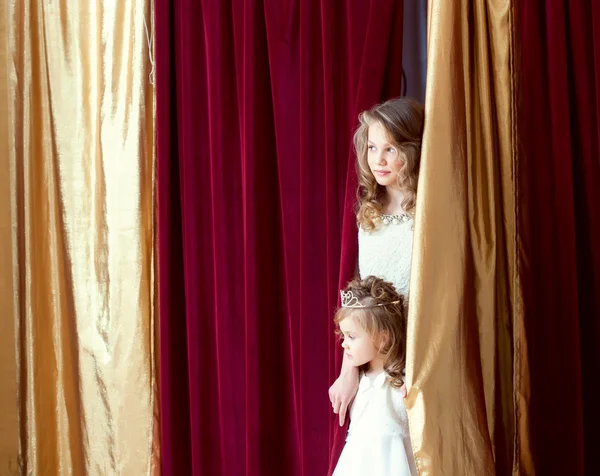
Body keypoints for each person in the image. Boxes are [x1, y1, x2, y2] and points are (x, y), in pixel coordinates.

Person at [329, 97, 425, 426]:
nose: (378, 161)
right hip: (375, 366)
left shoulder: (428, 214)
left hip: (419, 365)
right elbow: (360, 300)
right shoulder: (368, 215)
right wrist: (348, 372)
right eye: (372, 148)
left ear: (412, 151)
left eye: (391, 149)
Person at [332, 276, 417, 476]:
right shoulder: (360, 382)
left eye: (351, 337)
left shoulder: (399, 387)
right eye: (344, 336)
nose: (344, 344)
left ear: (382, 339)